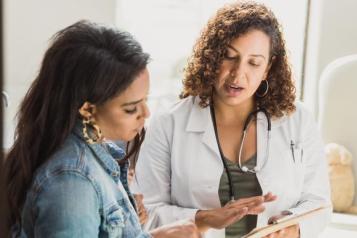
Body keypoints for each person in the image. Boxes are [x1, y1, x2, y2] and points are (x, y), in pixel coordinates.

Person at [132, 2, 331, 238]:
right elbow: (143, 213)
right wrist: (202, 217)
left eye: (254, 62)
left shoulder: (298, 120)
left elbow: (319, 203)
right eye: (228, 56)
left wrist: (292, 228)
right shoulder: (169, 123)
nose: (238, 74)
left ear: (268, 67)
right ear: (212, 57)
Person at [4, 20, 200, 238]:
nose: (146, 113)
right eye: (131, 108)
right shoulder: (72, 181)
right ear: (88, 110)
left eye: (145, 99)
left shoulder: (94, 151)